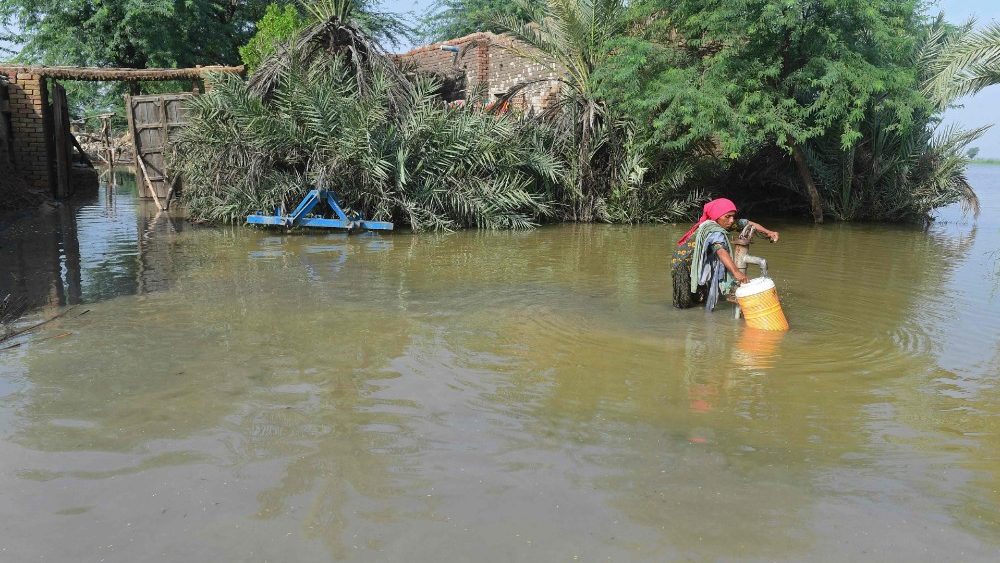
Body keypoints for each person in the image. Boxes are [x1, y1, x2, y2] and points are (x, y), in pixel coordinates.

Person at [671, 198, 779, 311]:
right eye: (727, 216)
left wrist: (769, 232)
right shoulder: (713, 230)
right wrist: (736, 272)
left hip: (699, 265)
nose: (732, 220)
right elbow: (720, 250)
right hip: (682, 264)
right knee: (684, 303)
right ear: (717, 216)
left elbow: (748, 224)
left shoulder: (723, 223)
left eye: (733, 216)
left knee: (701, 298)